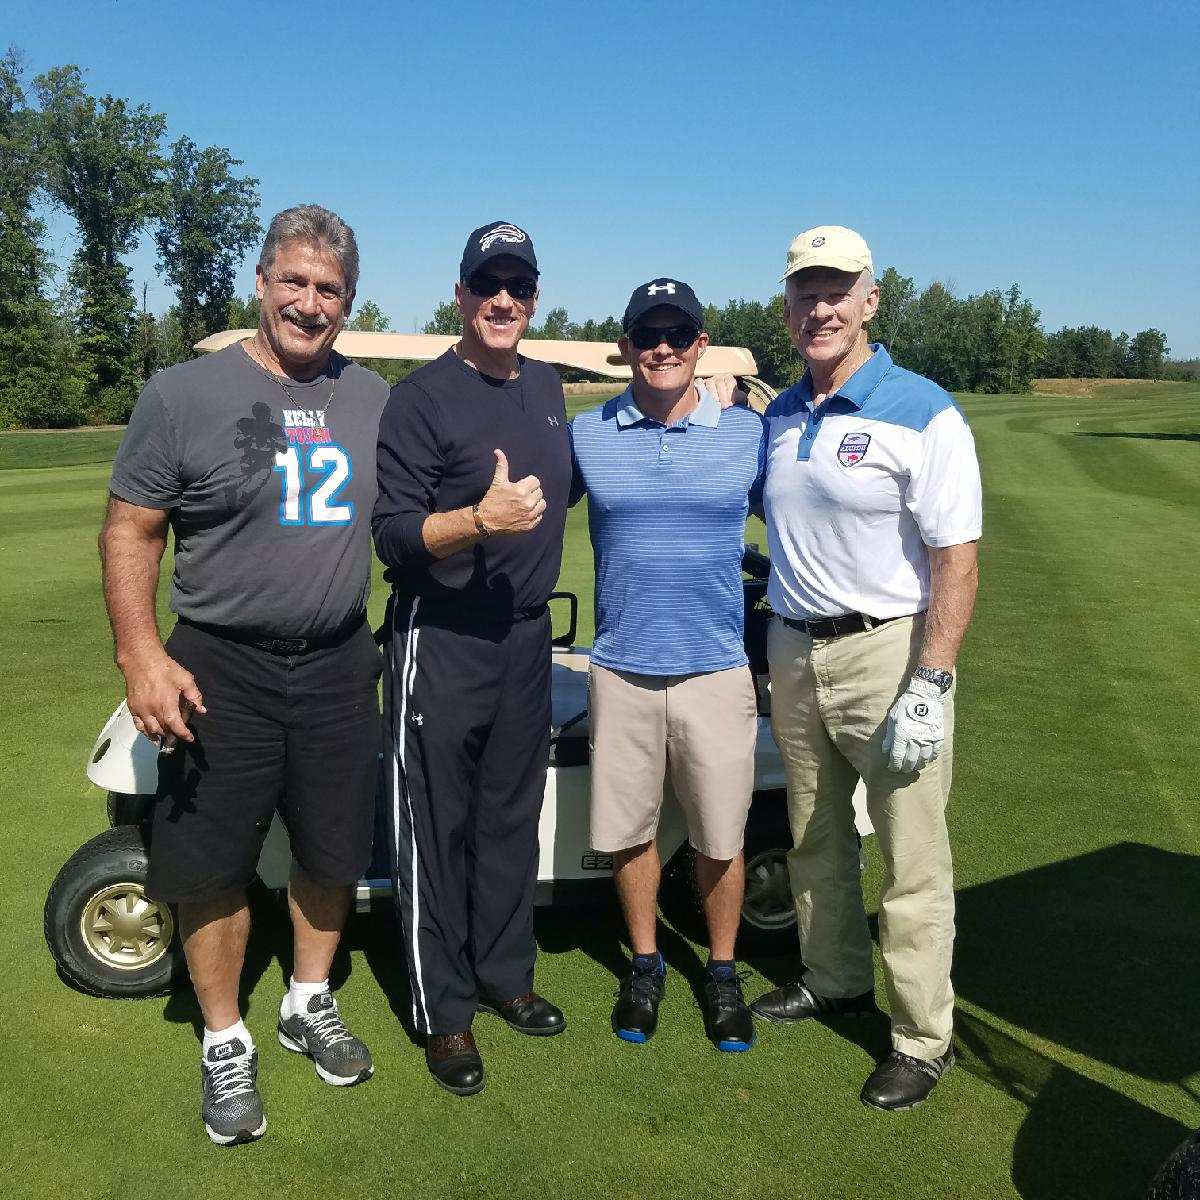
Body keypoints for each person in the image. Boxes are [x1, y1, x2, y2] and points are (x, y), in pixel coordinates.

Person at [100, 205, 388, 1145]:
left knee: (332, 847)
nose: (310, 303)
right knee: (212, 861)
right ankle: (225, 1038)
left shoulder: (371, 397)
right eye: (294, 281)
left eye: (329, 288)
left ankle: (308, 999)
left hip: (340, 659)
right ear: (262, 283)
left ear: (348, 301)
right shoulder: (182, 394)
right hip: (219, 664)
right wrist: (141, 653)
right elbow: (131, 530)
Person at [749, 226, 982, 1111]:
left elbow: (956, 558)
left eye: (836, 291)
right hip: (794, 644)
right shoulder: (779, 415)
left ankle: (923, 1038)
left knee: (910, 856)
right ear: (786, 307)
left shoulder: (922, 409)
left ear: (870, 301)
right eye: (804, 293)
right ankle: (835, 978)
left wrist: (933, 680)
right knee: (814, 835)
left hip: (889, 651)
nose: (820, 308)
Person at [372, 221, 572, 1097]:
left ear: (534, 298)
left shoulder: (548, 386)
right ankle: (443, 1010)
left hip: (524, 636)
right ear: (460, 295)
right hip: (441, 635)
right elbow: (391, 535)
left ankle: (503, 974)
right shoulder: (420, 398)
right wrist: (478, 521)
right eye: (487, 284)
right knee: (435, 825)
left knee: (508, 817)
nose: (502, 299)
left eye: (518, 285)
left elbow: (573, 484)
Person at [568, 280, 768, 1051]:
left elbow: (806, 514)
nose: (662, 348)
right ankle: (646, 963)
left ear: (700, 345)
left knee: (720, 834)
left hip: (715, 668)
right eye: (647, 335)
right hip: (621, 667)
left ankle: (722, 970)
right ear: (625, 347)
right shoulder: (589, 433)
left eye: (677, 334)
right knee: (628, 830)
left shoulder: (744, 433)